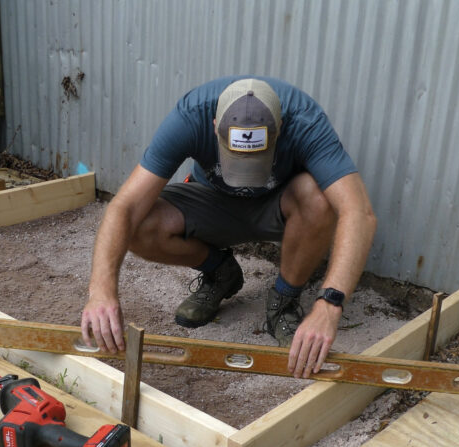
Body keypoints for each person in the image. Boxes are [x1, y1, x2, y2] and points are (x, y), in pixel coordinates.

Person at [80, 76, 376, 378]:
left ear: (281, 130)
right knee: (140, 225)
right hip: (213, 200)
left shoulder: (305, 121)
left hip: (279, 205)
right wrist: (101, 291)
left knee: (319, 200)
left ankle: (284, 299)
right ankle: (221, 273)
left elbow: (359, 212)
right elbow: (124, 207)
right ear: (213, 127)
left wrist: (329, 305)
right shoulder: (190, 115)